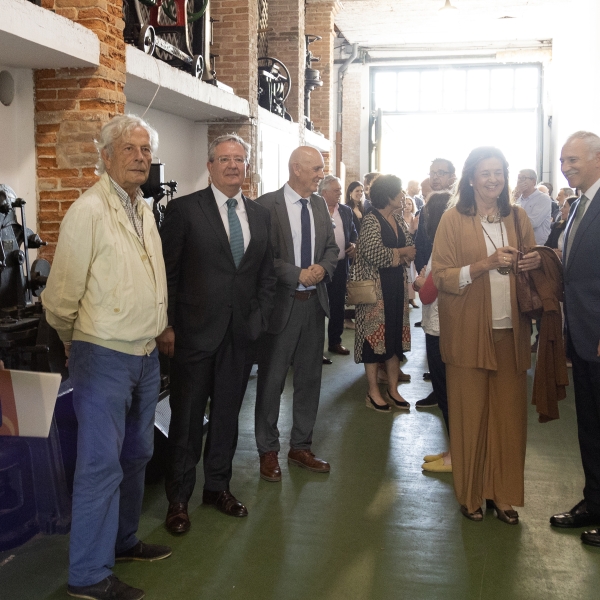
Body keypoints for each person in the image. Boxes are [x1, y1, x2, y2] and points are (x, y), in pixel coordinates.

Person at [41, 115, 171, 600]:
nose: (141, 157)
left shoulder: (143, 208)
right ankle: (88, 576)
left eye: (145, 150)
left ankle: (123, 541)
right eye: (131, 149)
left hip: (144, 354)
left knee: (137, 454)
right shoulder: (88, 211)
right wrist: (81, 341)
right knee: (100, 465)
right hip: (104, 357)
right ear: (107, 155)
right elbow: (60, 299)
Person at [157, 134, 276, 530]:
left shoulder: (260, 216)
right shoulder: (184, 211)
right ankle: (178, 500)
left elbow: (265, 276)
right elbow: (168, 275)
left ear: (247, 166)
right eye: (224, 159)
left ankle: (217, 488)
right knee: (187, 421)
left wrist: (258, 319)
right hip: (193, 335)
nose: (232, 166)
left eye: (239, 160)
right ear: (210, 166)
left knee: (226, 417)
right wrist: (169, 324)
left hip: (241, 336)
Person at [432, 146, 541, 524]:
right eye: (486, 172)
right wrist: (485, 265)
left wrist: (534, 261)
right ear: (471, 178)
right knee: (470, 417)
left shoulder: (519, 217)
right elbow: (443, 276)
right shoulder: (452, 220)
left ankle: (504, 494)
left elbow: (533, 271)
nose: (493, 179)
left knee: (509, 420)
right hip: (467, 332)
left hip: (511, 333)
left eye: (499, 172)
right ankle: (471, 494)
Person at [255, 146, 339, 483]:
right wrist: (295, 273)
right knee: (272, 381)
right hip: (280, 309)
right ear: (296, 168)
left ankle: (300, 445)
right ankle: (268, 450)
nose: (321, 175)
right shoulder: (265, 206)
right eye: (317, 169)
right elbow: (261, 259)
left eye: (321, 169)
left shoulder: (319, 204)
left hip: (313, 308)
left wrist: (322, 267)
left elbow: (332, 248)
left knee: (309, 380)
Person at [549, 131, 600, 548]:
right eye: (563, 160)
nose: (566, 167)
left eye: (573, 159)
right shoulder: (578, 205)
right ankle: (594, 503)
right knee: (590, 425)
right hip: (581, 335)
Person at [351, 175, 416, 412]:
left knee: (394, 339)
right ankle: (373, 391)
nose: (402, 195)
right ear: (388, 195)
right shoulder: (371, 220)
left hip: (396, 288)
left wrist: (401, 253)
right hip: (375, 292)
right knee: (373, 340)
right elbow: (373, 254)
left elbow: (412, 251)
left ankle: (393, 388)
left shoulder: (397, 218)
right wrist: (401, 253)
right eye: (398, 192)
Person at [413, 192, 452, 472]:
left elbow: (427, 293)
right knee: (447, 391)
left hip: (440, 324)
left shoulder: (443, 241)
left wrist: (418, 280)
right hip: (441, 322)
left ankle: (457, 456)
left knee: (447, 392)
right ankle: (454, 450)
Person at [320, 175, 357, 356]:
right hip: (319, 267)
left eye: (340, 190)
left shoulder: (345, 211)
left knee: (337, 306)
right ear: (324, 192)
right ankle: (314, 349)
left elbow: (353, 233)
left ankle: (335, 342)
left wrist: (354, 245)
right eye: (336, 191)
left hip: (341, 266)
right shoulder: (314, 209)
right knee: (317, 307)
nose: (340, 193)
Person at [515, 169, 552, 245]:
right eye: (519, 178)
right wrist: (515, 195)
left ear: (533, 182)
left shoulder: (543, 198)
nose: (520, 181)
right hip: (518, 242)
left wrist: (513, 223)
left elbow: (533, 223)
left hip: (535, 245)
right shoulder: (517, 198)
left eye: (523, 178)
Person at [402, 195, 419, 308]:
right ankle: (404, 298)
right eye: (406, 203)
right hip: (403, 249)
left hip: (413, 247)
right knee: (405, 275)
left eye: (410, 204)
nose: (407, 206)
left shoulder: (414, 218)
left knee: (412, 275)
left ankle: (412, 298)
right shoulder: (399, 217)